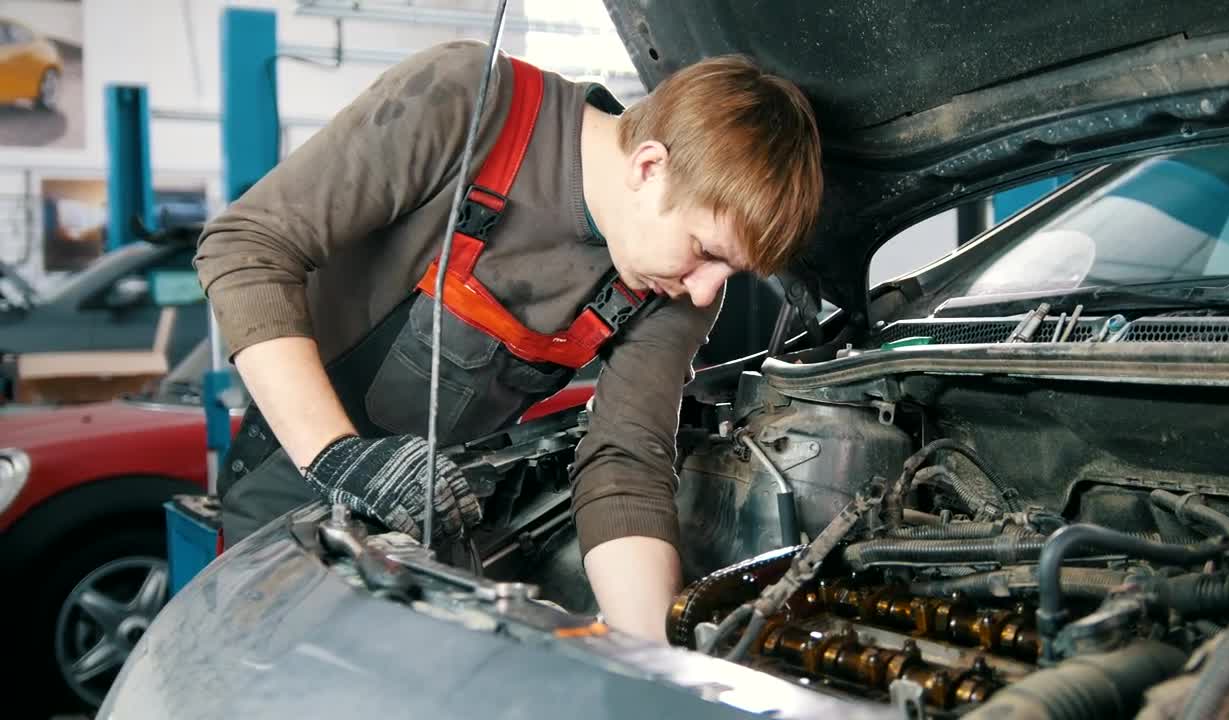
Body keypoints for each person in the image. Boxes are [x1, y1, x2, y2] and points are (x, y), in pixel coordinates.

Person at [194, 39, 822, 643]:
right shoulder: (469, 104)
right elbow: (247, 245)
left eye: (728, 272)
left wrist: (653, 663)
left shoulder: (668, 287)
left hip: (432, 515)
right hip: (291, 487)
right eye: (706, 251)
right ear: (649, 166)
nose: (706, 290)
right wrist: (337, 456)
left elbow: (625, 461)